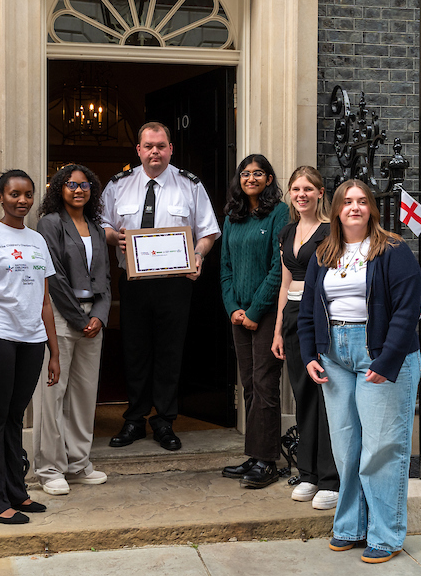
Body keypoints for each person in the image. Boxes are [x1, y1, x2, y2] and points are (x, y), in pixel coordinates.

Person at [298, 179, 421, 564]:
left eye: (362, 201)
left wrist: (387, 362)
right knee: (347, 447)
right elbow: (308, 311)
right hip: (335, 357)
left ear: (372, 208)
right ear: (335, 209)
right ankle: (350, 526)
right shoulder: (324, 253)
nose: (355, 207)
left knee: (382, 447)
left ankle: (386, 535)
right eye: (347, 201)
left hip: (381, 356)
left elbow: (407, 309)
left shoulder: (393, 250)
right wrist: (310, 354)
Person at [101, 121, 221, 452]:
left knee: (170, 352)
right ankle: (135, 419)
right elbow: (102, 226)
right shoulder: (119, 185)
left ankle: (165, 421)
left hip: (174, 284)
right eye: (149, 146)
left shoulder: (190, 185)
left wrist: (198, 254)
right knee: (135, 351)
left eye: (161, 146)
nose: (155, 151)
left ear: (170, 149)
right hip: (134, 284)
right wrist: (116, 237)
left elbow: (208, 231)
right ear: (138, 150)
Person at [0, 170, 60, 525]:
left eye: (28, 194)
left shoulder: (37, 240)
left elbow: (44, 301)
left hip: (31, 339)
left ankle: (14, 491)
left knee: (15, 417)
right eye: (14, 194)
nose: (22, 200)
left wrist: (54, 351)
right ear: (1, 197)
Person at [34, 164, 111, 496]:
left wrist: (100, 316)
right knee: (53, 394)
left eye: (85, 184)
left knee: (83, 394)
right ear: (59, 188)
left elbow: (106, 280)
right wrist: (80, 320)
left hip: (94, 318)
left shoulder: (95, 227)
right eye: (71, 184)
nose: (79, 190)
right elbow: (53, 278)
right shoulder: (49, 224)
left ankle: (78, 463)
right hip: (62, 317)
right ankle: (49, 468)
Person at [271, 166, 340, 510]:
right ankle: (309, 473)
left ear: (320, 192)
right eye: (296, 189)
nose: (301, 195)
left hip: (321, 317)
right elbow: (284, 284)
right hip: (293, 318)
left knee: (326, 394)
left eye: (308, 189)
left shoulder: (331, 232)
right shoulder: (286, 232)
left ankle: (331, 478)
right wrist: (278, 330)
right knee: (303, 397)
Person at [218, 154, 289, 489]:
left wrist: (255, 311)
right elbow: (226, 268)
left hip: (267, 314)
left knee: (265, 385)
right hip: (239, 315)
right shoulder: (233, 216)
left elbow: (280, 268)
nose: (250, 178)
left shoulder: (279, 213)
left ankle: (268, 461)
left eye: (257, 173)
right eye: (245, 174)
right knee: (249, 384)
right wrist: (234, 308)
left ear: (269, 179)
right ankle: (255, 454)